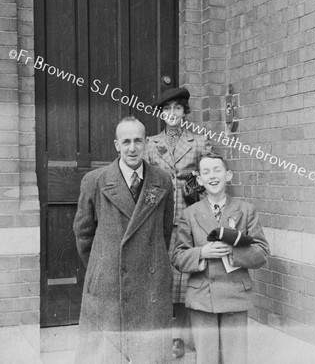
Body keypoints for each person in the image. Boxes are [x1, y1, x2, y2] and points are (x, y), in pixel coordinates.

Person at [73, 116, 174, 364]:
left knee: (148, 354)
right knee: (107, 355)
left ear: (146, 143)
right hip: (108, 282)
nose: (132, 148)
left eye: (138, 141)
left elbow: (164, 231)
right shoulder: (95, 181)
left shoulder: (162, 180)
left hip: (149, 282)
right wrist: (104, 264)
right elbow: (83, 233)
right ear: (116, 145)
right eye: (126, 141)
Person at [172, 152, 269, 364]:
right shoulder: (190, 214)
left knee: (235, 358)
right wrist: (201, 253)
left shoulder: (245, 210)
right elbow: (178, 257)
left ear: (229, 175)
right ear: (199, 180)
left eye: (218, 170)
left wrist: (233, 251)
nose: (212, 176)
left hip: (235, 294)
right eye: (206, 172)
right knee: (206, 358)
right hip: (202, 297)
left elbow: (261, 253)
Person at [144, 87, 211, 358]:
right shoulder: (149, 143)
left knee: (185, 277)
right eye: (167, 109)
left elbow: (209, 176)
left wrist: (195, 185)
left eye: (178, 108)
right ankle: (166, 335)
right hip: (158, 217)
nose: (172, 114)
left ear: (185, 112)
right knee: (162, 276)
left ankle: (182, 336)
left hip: (189, 213)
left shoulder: (199, 141)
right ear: (160, 113)